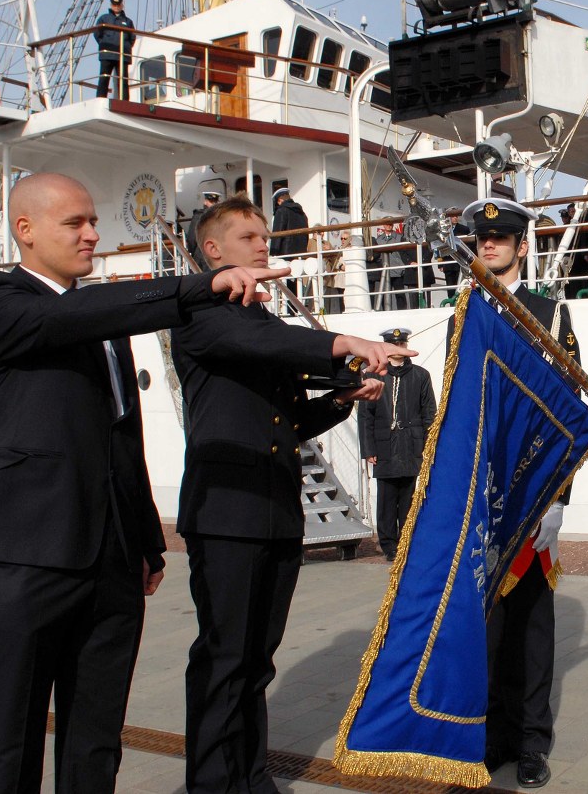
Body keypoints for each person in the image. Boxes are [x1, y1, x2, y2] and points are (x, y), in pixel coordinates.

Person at [0, 172, 289, 794]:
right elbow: (63, 318)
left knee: (97, 729)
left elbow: (121, 441)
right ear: (25, 230)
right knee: (13, 726)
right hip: (26, 554)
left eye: (92, 220)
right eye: (74, 223)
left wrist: (144, 542)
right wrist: (201, 285)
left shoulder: (104, 322)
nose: (92, 233)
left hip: (110, 558)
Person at [172, 196, 410, 794]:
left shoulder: (261, 324)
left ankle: (252, 778)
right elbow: (273, 347)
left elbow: (289, 422)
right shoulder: (202, 312)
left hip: (276, 510)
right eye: (249, 238)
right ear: (213, 250)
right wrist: (346, 342)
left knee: (256, 660)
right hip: (225, 513)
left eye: (264, 236)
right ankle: (212, 784)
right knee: (224, 659)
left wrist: (341, 399)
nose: (264, 245)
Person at [447, 197, 580, 789]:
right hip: (482, 495)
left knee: (530, 627)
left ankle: (531, 742)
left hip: (532, 490)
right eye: (482, 237)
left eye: (501, 237)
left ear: (522, 246)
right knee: (486, 626)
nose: (489, 244)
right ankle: (492, 736)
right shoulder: (465, 313)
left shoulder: (550, 314)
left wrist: (558, 499)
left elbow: (569, 411)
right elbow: (456, 410)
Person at [357, 327, 436, 562]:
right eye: (394, 345)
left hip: (411, 445)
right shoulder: (373, 376)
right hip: (385, 446)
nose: (399, 348)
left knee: (409, 496)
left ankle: (407, 541)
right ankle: (389, 544)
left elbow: (429, 413)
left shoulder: (420, 376)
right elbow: (366, 416)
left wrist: (429, 445)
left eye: (402, 344)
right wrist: (369, 449)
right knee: (387, 499)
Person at [94, 0, 134, 99]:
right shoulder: (104, 18)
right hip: (107, 53)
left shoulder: (128, 21)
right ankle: (101, 98)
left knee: (123, 80)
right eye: (114, 5)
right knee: (104, 77)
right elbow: (97, 34)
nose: (116, 7)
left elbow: (132, 37)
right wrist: (104, 44)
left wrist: (126, 46)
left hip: (122, 54)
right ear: (111, 5)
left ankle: (124, 101)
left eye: (118, 5)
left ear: (122, 6)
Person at [269, 187, 309, 259]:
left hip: (286, 255)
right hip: (301, 254)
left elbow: (277, 234)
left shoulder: (281, 211)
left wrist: (273, 253)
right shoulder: (301, 213)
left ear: (279, 200)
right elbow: (306, 235)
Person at [184, 189, 220, 268]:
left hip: (202, 254)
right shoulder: (221, 216)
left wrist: (191, 251)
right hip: (218, 253)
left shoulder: (199, 216)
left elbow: (192, 237)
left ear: (205, 202)